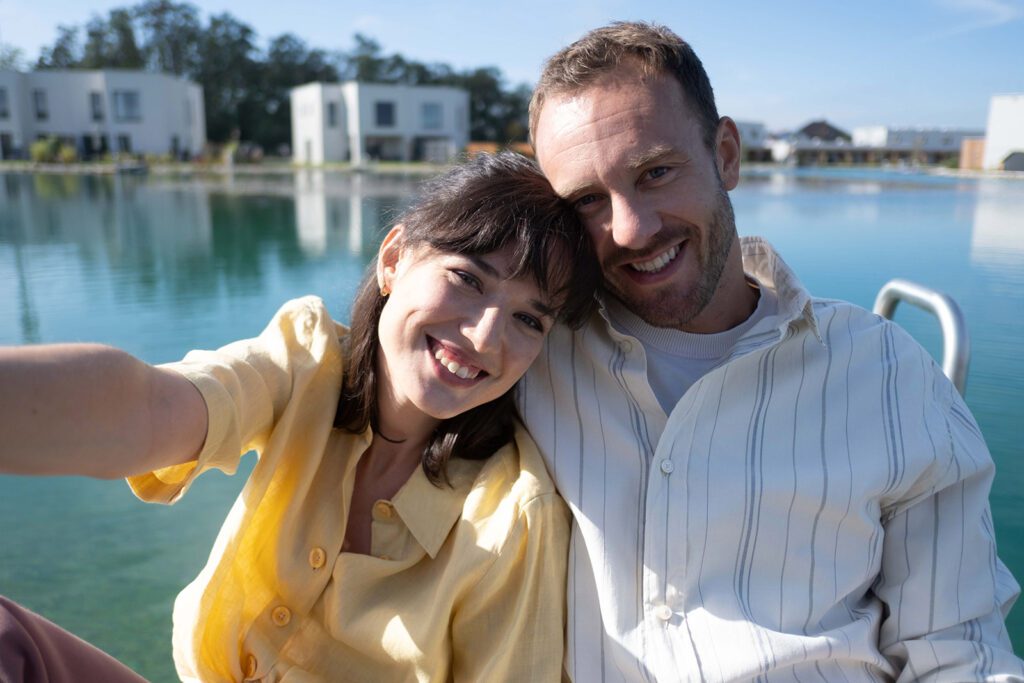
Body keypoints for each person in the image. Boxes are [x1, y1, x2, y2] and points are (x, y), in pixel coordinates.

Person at [517, 21, 1024, 682]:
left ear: (727, 154)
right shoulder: (523, 357)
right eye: (588, 200)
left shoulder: (891, 376)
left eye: (657, 172)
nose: (633, 227)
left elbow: (960, 652)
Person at [0, 151, 599, 682]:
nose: (484, 336)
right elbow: (150, 408)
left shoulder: (513, 514)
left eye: (529, 319)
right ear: (394, 259)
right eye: (468, 279)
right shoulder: (307, 363)